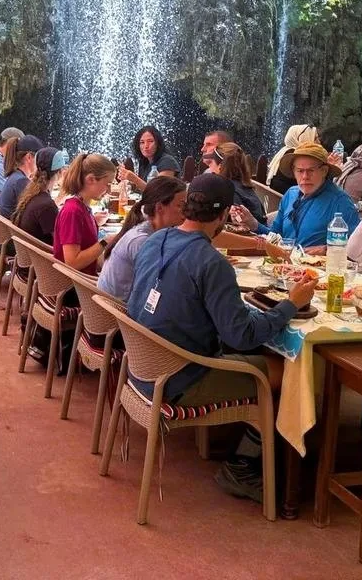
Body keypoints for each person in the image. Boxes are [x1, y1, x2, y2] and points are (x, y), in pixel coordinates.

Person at [128, 174, 312, 501]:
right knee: (287, 372)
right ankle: (241, 466)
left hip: (142, 369)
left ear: (187, 206)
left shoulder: (157, 238)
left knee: (252, 350)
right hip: (179, 378)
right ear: (225, 214)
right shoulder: (213, 264)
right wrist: (290, 304)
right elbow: (241, 336)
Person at [237, 142, 358, 252]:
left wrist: (326, 249)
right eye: (300, 171)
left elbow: (359, 245)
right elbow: (275, 237)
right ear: (293, 172)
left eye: (311, 170)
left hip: (318, 273)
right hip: (283, 268)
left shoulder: (340, 201)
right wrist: (253, 224)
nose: (305, 176)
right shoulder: (291, 194)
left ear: (324, 171)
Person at [97, 176, 186, 301]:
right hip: (117, 313)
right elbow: (159, 287)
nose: (186, 211)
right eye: (180, 205)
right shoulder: (142, 241)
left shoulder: (147, 229)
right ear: (159, 208)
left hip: (112, 305)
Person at [55, 153, 119, 274]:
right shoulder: (72, 211)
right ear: (90, 179)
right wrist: (106, 241)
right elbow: (72, 262)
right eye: (107, 184)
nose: (109, 190)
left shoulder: (82, 207)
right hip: (76, 288)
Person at [14, 148, 68, 245]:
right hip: (43, 258)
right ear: (60, 173)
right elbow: (62, 244)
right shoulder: (46, 205)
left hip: (29, 255)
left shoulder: (31, 194)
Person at [210, 142, 266, 226]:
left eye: (211, 162)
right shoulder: (245, 186)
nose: (209, 166)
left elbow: (240, 222)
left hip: (249, 236)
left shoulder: (228, 190)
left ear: (220, 166)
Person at [0, 134, 44, 220]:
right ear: (29, 157)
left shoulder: (15, 176)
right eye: (39, 157)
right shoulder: (20, 181)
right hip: (15, 233)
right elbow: (39, 211)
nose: (40, 162)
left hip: (8, 230)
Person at [119, 126, 180, 191]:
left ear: (158, 143)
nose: (146, 146)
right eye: (142, 142)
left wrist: (134, 179)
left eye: (150, 141)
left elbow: (159, 192)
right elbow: (145, 186)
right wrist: (129, 180)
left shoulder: (167, 161)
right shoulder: (145, 161)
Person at [267, 124, 320, 194]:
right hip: (289, 198)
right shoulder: (295, 155)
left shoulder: (285, 150)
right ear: (304, 138)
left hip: (277, 196)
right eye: (315, 138)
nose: (319, 142)